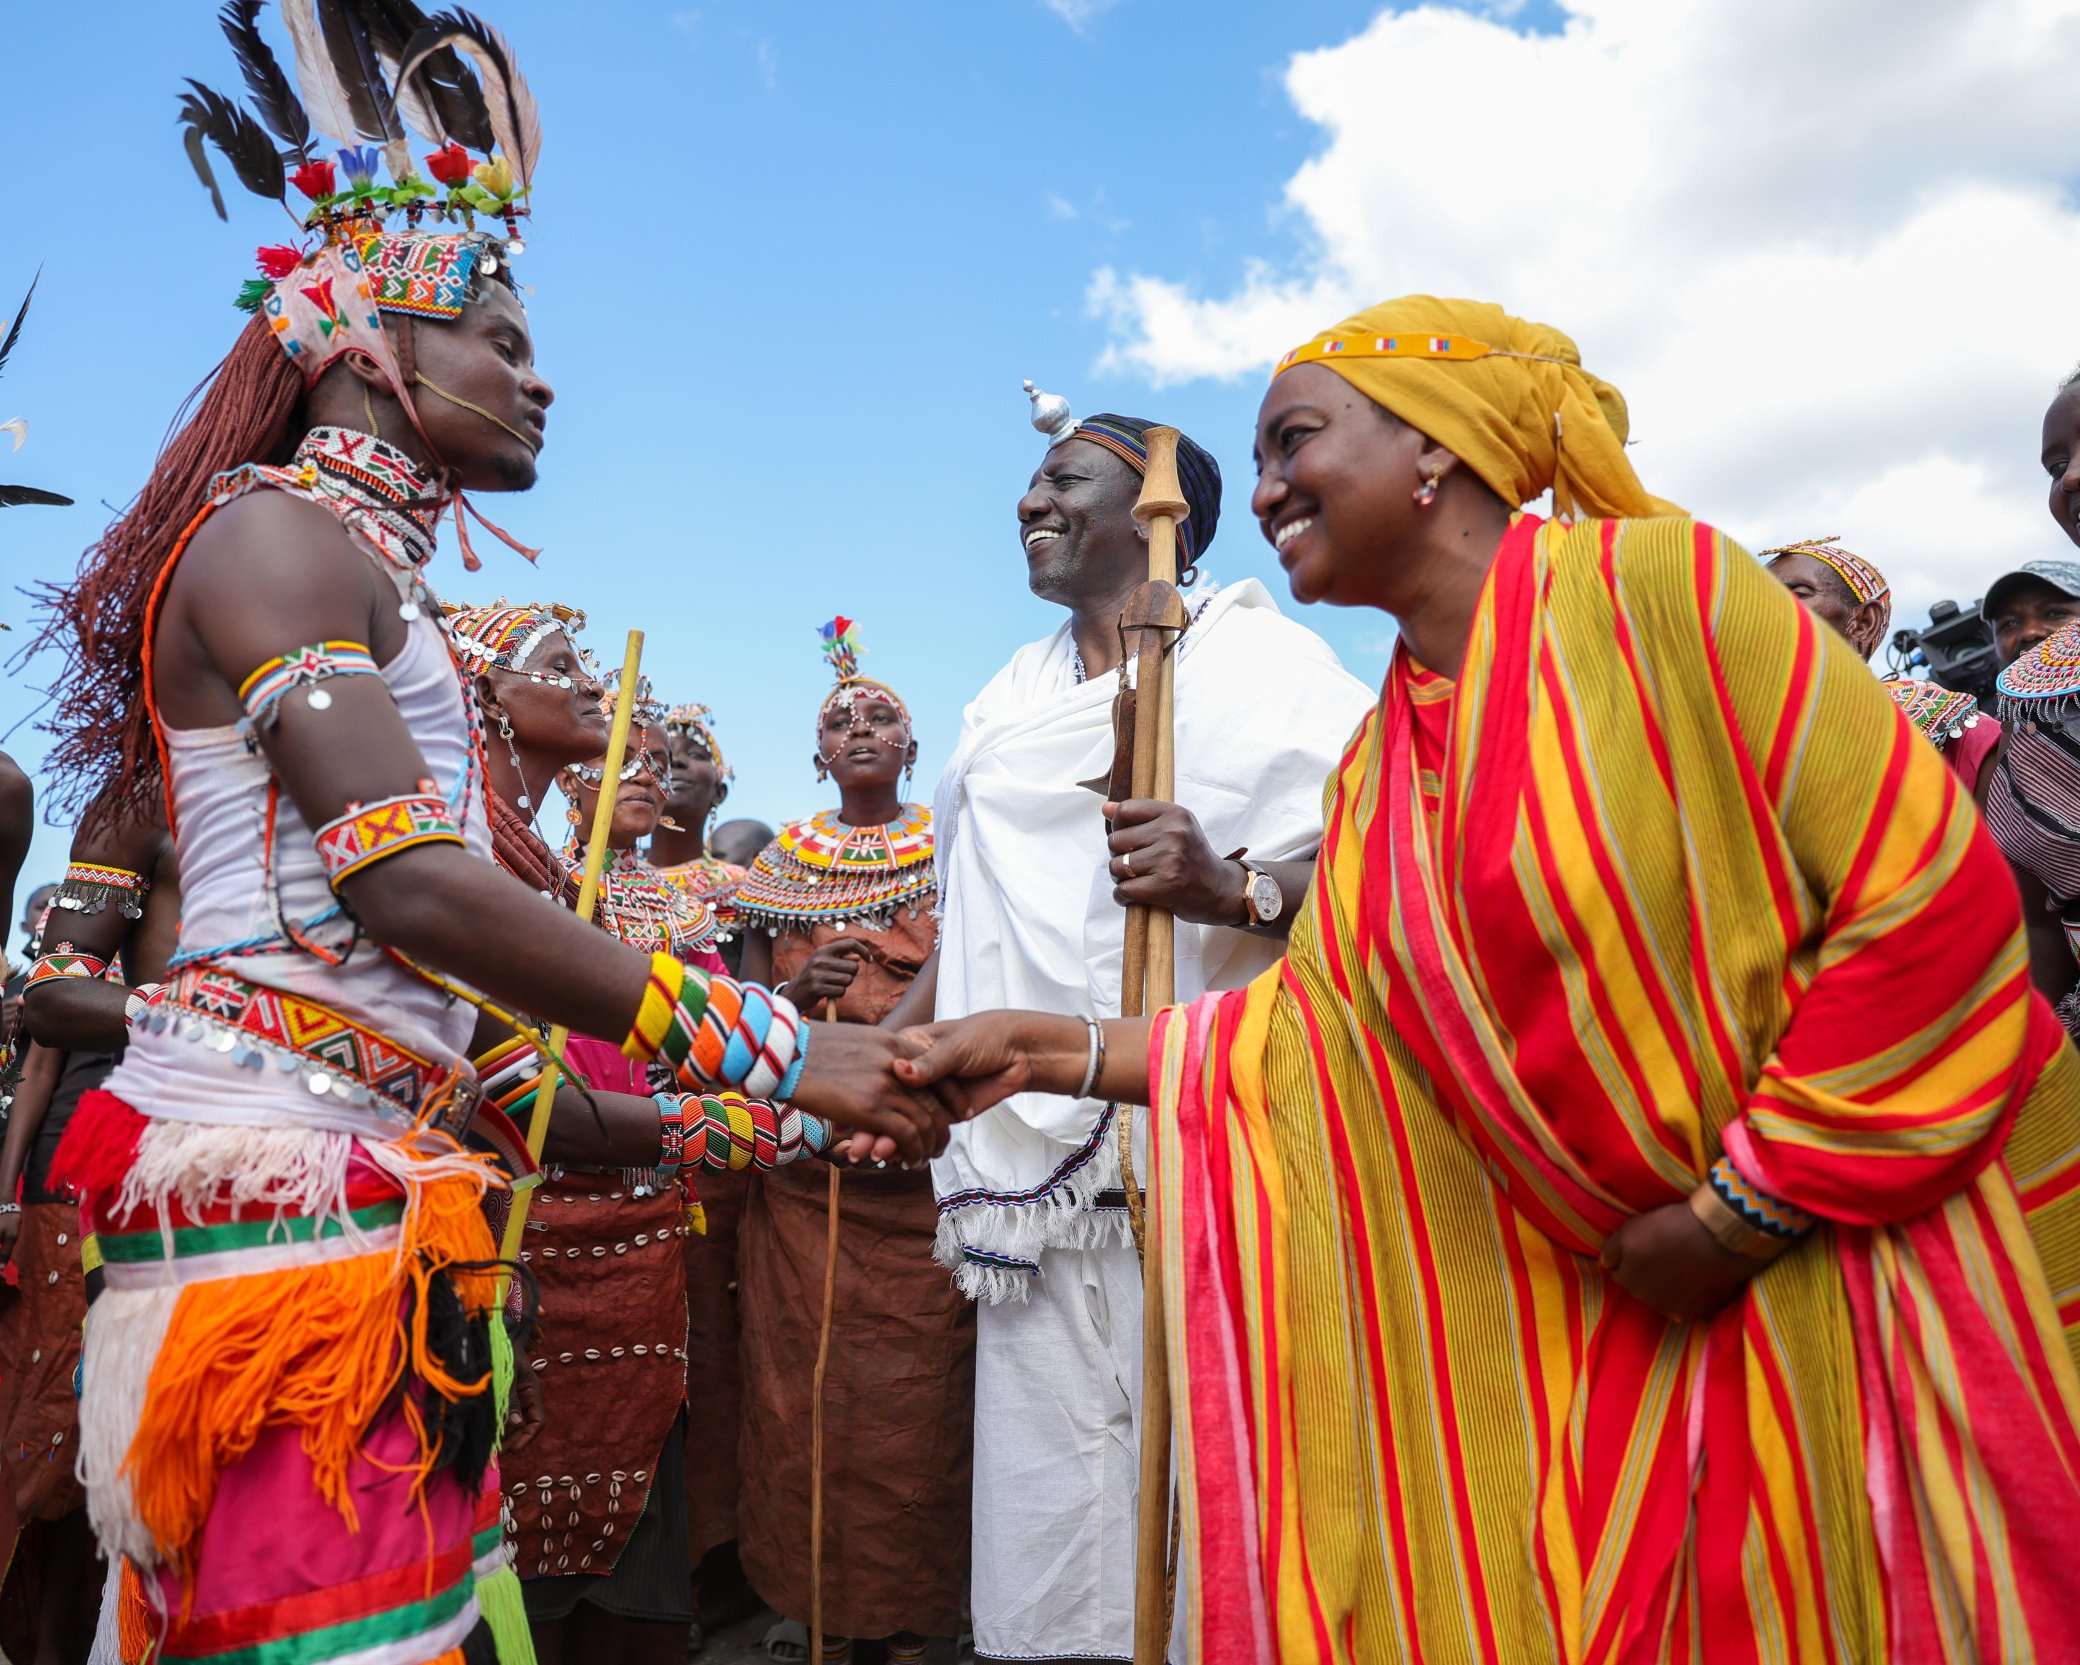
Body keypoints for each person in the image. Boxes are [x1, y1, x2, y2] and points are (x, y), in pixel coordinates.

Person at [895, 297, 2080, 1662]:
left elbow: (1923, 906)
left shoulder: (1664, 595)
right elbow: (1324, 1035)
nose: (1267, 484)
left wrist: (1736, 1212)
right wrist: (1049, 1052)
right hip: (1579, 1331)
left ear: (1437, 452)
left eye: (1295, 439)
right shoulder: (1381, 760)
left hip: (1820, 1286)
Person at [28, 19, 939, 1661]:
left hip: (361, 1181)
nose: (537, 375)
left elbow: (451, 1035)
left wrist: (752, 1130)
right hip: (278, 1205)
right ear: (373, 339)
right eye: (498, 335)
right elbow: (404, 887)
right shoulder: (275, 544)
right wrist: (783, 1049)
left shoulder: (370, 592)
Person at [891, 392, 1371, 1662]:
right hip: (1017, 1179)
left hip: (1210, 1152)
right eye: (1033, 485)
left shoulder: (1260, 668)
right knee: (1053, 1522)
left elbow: (1396, 882)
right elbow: (968, 917)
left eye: (1064, 483)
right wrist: (886, 1053)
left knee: (1226, 1500)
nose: (1029, 503)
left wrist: (1233, 887)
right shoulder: (1006, 696)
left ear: (1163, 522)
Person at [733, 621, 969, 1665]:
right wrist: (798, 993)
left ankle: (925, 1621)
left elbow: (982, 971)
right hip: (802, 1182)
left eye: (882, 718)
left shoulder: (952, 848)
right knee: (801, 1399)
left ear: (911, 750)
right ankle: (816, 1610)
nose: (861, 728)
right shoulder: (781, 863)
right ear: (817, 751)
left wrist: (889, 1051)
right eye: (841, 720)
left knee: (924, 1410)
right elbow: (733, 1005)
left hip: (920, 1166)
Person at [1, 792, 178, 1665]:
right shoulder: (140, 809)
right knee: (60, 1451)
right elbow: (44, 1037)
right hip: (91, 1184)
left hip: (225, 1175)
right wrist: (7, 1197)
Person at [642, 701, 754, 1608]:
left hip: (724, 1157)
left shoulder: (741, 880)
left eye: (692, 757)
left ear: (724, 783)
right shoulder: (598, 879)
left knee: (720, 1350)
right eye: (656, 755)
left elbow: (764, 998)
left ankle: (722, 1561)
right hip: (619, 1144)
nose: (672, 767)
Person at [1763, 536, 2001, 791]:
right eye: (1760, 599)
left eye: (1798, 593)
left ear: (1864, 622)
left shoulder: (1941, 720)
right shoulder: (1740, 730)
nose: (1769, 608)